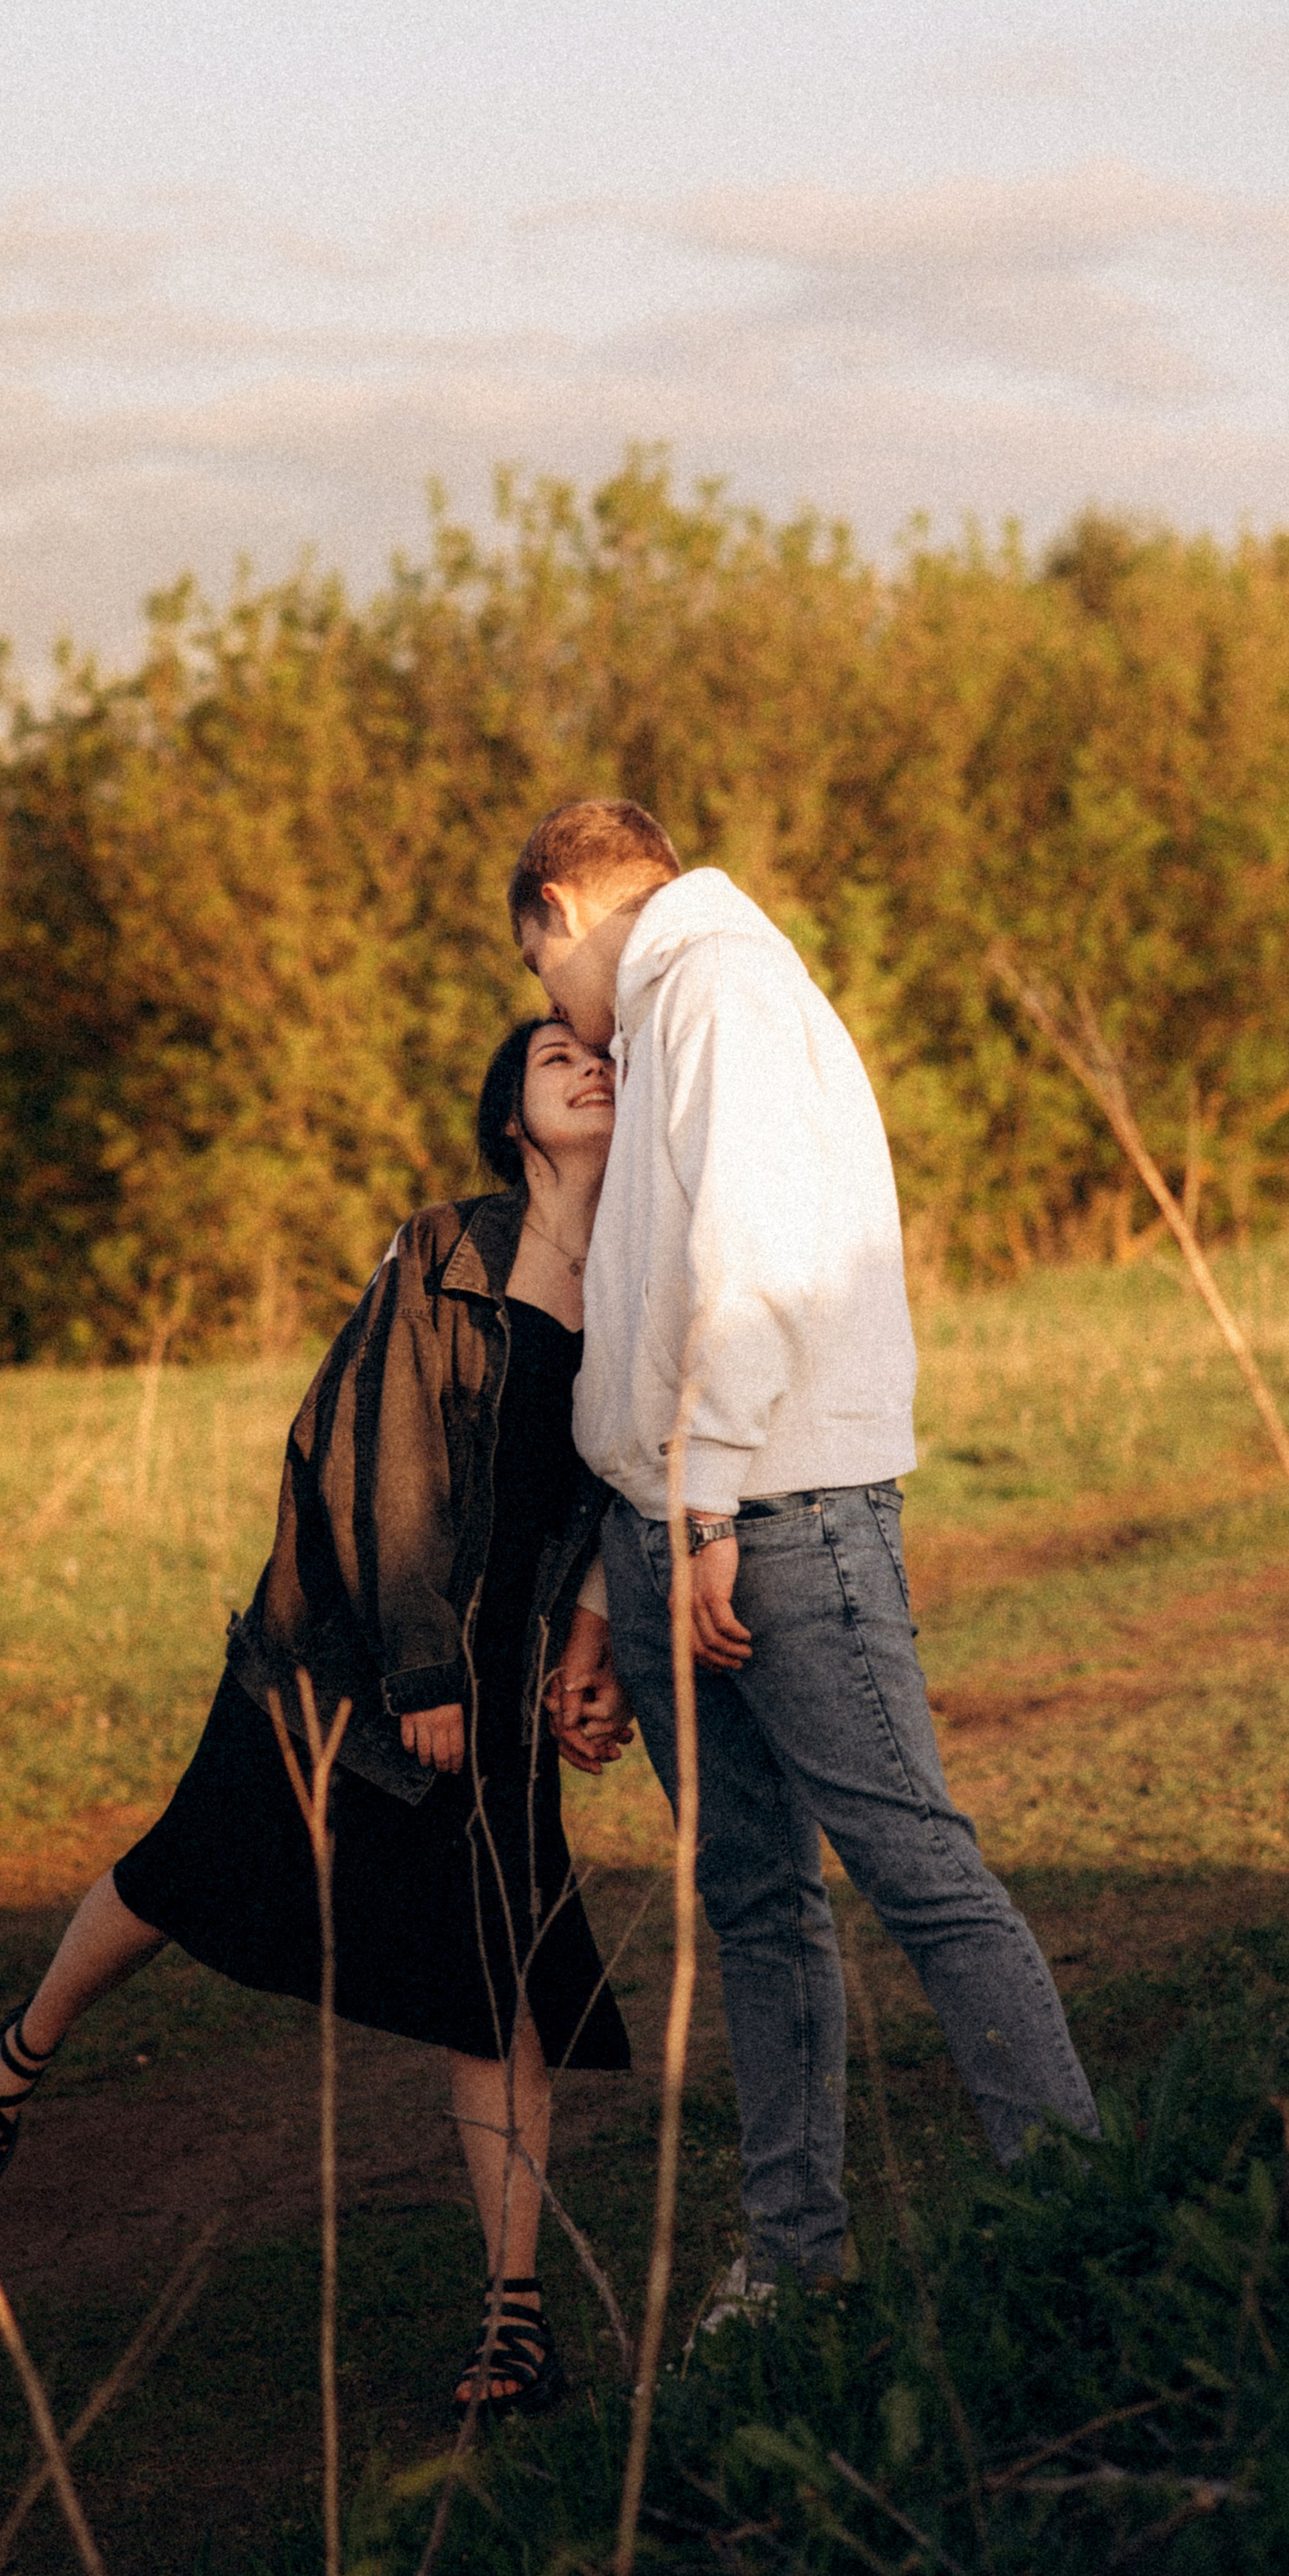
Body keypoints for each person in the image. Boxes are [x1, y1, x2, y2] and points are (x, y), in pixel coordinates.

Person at [0, 1015, 634, 2416]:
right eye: (557, 1054)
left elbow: (620, 1480)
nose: (590, 1062)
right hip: (341, 1658)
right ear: (512, 1113)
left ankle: (516, 2325)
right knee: (187, 1870)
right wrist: (420, 1669)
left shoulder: (637, 1279)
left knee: (490, 1979)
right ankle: (13, 2063)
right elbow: (372, 1457)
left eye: (603, 1051)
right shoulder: (444, 1247)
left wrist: (583, 1651)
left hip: (500, 1693)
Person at [511, 797, 1098, 2314]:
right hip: (676, 1531)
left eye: (537, 969)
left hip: (774, 1524)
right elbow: (642, 1328)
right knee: (756, 1909)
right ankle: (793, 2268)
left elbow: (755, 1261)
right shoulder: (665, 1018)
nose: (550, 1011)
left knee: (916, 1866)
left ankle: (1094, 2222)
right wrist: (601, 1592)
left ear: (562, 911)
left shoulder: (720, 984)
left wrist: (705, 1508)